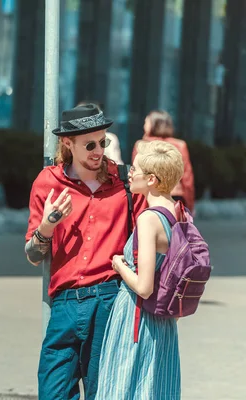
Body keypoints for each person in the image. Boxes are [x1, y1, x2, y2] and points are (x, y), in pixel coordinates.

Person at [24, 103, 146, 400]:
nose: (98, 151)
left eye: (103, 142)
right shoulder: (48, 183)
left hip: (109, 298)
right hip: (64, 303)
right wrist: (49, 224)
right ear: (68, 143)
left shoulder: (125, 182)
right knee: (52, 392)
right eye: (89, 144)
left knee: (102, 392)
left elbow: (145, 243)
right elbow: (33, 254)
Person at [96, 140, 184, 400]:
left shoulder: (149, 219)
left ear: (152, 180)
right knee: (156, 388)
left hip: (137, 317)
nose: (129, 173)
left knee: (125, 387)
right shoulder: (178, 213)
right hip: (164, 321)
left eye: (135, 169)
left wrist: (119, 265)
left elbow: (145, 286)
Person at [132, 110, 195, 212]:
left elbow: (137, 174)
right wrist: (190, 205)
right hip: (176, 197)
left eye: (146, 122)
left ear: (154, 124)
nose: (144, 126)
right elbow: (187, 178)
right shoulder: (180, 145)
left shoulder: (141, 145)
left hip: (149, 197)